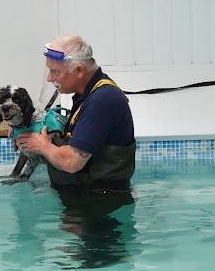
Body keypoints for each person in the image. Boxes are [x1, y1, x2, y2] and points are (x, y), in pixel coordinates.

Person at [16, 34, 136, 194]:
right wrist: (23, 128)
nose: (49, 78)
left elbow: (72, 162)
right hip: (86, 197)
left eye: (55, 71)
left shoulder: (101, 101)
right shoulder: (88, 95)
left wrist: (42, 146)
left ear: (79, 70)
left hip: (98, 204)